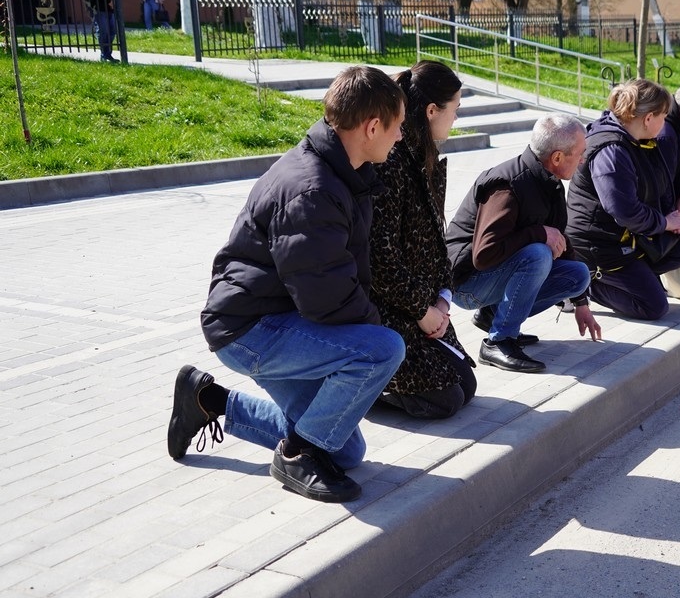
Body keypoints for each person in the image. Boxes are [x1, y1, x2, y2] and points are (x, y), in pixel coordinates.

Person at [168, 66, 407, 503]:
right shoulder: (311, 190)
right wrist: (374, 332)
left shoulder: (342, 173)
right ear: (372, 127)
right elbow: (326, 298)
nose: (400, 138)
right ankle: (297, 456)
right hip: (249, 329)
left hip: (278, 317)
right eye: (397, 127)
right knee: (383, 349)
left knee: (346, 448)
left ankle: (206, 400)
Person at [445, 115, 601, 374]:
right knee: (538, 254)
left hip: (491, 274)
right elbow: (483, 255)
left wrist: (581, 304)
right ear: (558, 157)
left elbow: (561, 239)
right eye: (580, 153)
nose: (583, 160)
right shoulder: (507, 186)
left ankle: (493, 315)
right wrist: (538, 233)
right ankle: (499, 341)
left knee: (578, 275)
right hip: (465, 283)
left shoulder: (548, 181)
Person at [370, 61, 477, 419]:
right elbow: (380, 258)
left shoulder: (424, 157)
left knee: (466, 386)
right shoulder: (392, 160)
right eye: (455, 109)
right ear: (432, 111)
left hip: (421, 303)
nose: (456, 119)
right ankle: (361, 387)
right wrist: (421, 311)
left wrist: (444, 299)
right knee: (444, 399)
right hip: (391, 311)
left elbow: (434, 244)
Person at [566, 79, 680, 321]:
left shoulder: (639, 141)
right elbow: (624, 210)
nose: (666, 123)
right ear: (648, 118)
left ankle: (636, 279)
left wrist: (673, 217)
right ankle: (578, 285)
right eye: (663, 116)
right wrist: (665, 223)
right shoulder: (612, 150)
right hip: (599, 244)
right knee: (654, 307)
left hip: (629, 235)